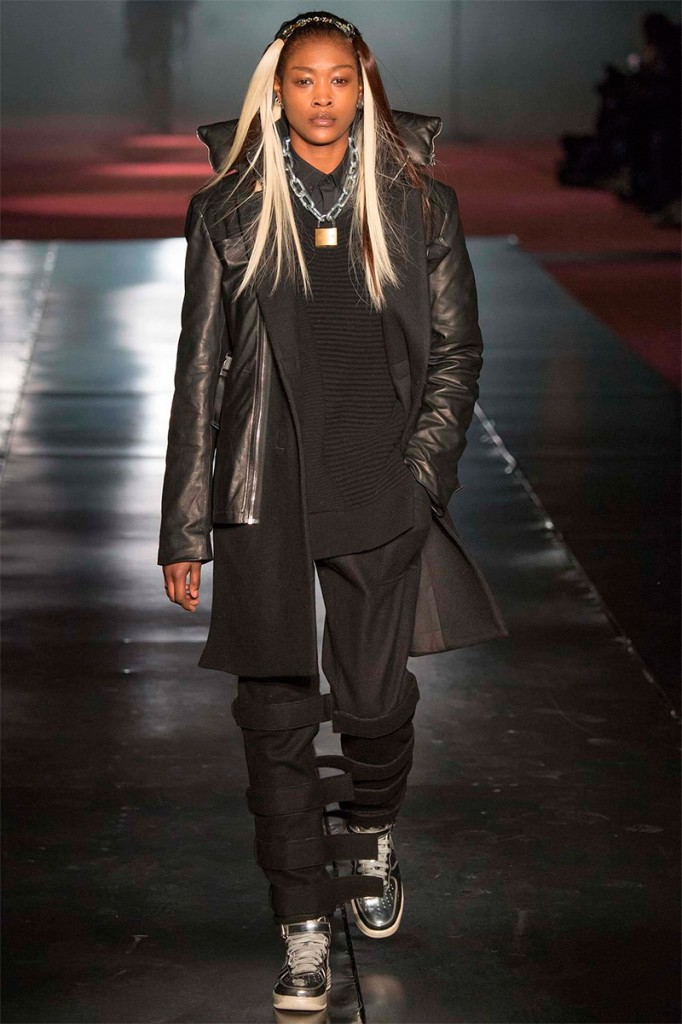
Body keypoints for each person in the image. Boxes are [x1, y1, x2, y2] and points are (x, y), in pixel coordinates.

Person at [158, 9, 508, 1013]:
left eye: (340, 80)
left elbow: (456, 352)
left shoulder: (420, 205)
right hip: (263, 495)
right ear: (276, 91)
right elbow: (198, 372)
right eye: (304, 80)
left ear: (366, 87)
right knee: (271, 717)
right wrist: (185, 523)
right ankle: (304, 928)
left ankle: (371, 825)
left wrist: (422, 474)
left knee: (371, 703)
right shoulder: (229, 209)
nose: (322, 97)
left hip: (379, 487)